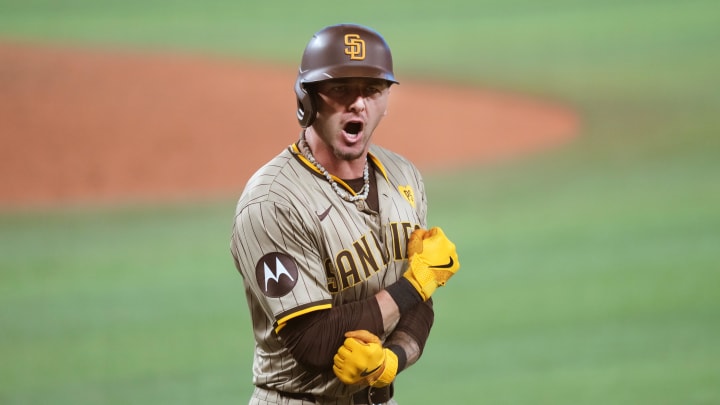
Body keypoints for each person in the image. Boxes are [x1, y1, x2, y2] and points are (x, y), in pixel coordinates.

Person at [230, 23, 461, 404]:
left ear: (387, 99)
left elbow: (419, 308)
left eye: (372, 90)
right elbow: (314, 342)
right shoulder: (272, 203)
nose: (358, 103)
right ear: (308, 100)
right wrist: (415, 285)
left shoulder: (404, 176)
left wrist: (392, 361)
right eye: (340, 89)